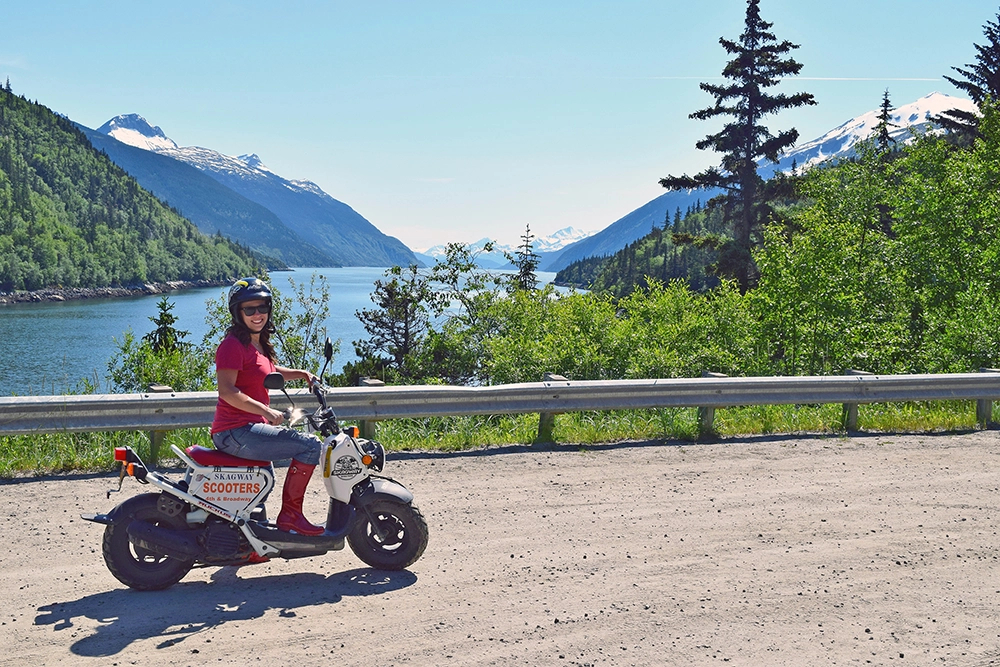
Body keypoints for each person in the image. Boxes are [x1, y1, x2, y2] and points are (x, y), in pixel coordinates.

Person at [210, 277, 326, 537]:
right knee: (310, 446)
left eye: (261, 307)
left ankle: (249, 539)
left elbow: (270, 373)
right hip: (234, 431)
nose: (257, 314)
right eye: (249, 309)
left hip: (246, 428)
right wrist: (265, 411)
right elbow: (227, 391)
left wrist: (303, 374)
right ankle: (291, 517)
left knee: (260, 483)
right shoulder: (232, 346)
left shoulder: (256, 343)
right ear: (238, 313)